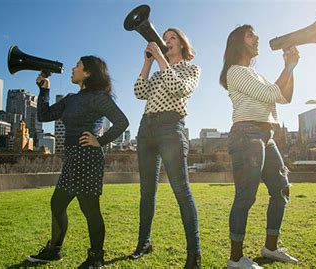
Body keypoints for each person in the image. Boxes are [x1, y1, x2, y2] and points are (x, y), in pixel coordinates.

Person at [26, 56, 129, 269]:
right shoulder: (71, 99)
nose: (73, 69)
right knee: (57, 204)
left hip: (88, 158)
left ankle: (96, 258)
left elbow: (122, 122)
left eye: (77, 66)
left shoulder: (98, 97)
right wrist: (44, 90)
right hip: (72, 157)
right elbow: (44, 115)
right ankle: (53, 251)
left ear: (88, 73)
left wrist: (99, 141)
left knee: (90, 208)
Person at [219, 25, 300, 269]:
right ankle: (235, 259)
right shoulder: (235, 71)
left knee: (281, 189)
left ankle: (271, 247)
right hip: (246, 135)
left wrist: (291, 67)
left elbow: (285, 97)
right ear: (238, 42)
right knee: (246, 196)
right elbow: (270, 94)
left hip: (267, 135)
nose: (257, 39)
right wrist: (286, 67)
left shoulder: (256, 74)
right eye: (251, 35)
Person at [129, 28, 202, 268]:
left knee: (182, 190)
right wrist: (147, 63)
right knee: (147, 192)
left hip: (171, 127)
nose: (166, 41)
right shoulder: (158, 72)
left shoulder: (191, 69)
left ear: (182, 44)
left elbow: (178, 89)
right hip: (146, 128)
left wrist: (161, 59)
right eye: (165, 38)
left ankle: (194, 253)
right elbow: (139, 92)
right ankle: (144, 243)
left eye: (171, 38)